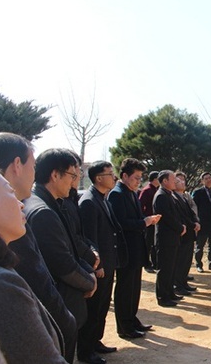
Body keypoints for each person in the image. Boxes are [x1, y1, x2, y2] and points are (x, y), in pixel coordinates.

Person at [0, 132, 78, 363]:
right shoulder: (3, 283)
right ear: (17, 164)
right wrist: (66, 321)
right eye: (9, 193)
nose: (21, 206)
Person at [23, 148, 98, 327]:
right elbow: (62, 264)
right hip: (58, 306)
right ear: (55, 175)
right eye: (72, 176)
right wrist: (90, 281)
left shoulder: (52, 203)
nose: (74, 182)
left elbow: (72, 242)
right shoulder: (43, 212)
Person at [77, 161, 127, 364]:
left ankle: (96, 341)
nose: (113, 177)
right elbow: (90, 239)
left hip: (109, 262)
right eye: (110, 173)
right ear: (98, 178)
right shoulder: (89, 201)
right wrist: (96, 266)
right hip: (100, 267)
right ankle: (86, 351)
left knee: (103, 306)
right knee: (94, 308)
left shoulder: (103, 198)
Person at [108, 158, 160, 338]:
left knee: (134, 287)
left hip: (137, 248)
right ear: (124, 176)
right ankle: (124, 326)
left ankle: (132, 319)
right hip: (126, 249)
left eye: (140, 178)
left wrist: (147, 220)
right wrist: (143, 222)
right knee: (125, 288)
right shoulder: (116, 194)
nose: (139, 181)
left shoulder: (131, 192)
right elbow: (120, 223)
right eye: (136, 177)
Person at [152, 170, 185, 307]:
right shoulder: (161, 196)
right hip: (165, 238)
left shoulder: (168, 194)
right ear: (165, 181)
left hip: (173, 237)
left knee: (171, 267)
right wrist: (180, 227)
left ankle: (170, 293)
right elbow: (167, 217)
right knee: (164, 269)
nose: (175, 182)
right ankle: (163, 297)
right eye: (173, 180)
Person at [173, 172, 200, 295]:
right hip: (182, 233)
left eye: (183, 181)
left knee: (187, 260)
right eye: (179, 181)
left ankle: (183, 283)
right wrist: (193, 224)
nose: (182, 183)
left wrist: (196, 221)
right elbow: (182, 217)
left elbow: (192, 212)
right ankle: (178, 285)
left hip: (189, 233)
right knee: (181, 261)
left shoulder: (185, 196)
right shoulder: (173, 197)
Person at [192, 172, 211, 273]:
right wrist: (196, 221)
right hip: (202, 222)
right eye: (206, 178)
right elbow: (194, 208)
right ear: (202, 181)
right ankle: (199, 264)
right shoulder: (198, 192)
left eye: (210, 178)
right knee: (200, 245)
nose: (209, 180)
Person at [138, 171, 159, 273]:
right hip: (149, 222)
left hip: (156, 221)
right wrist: (146, 218)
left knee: (155, 243)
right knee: (148, 243)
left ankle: (155, 262)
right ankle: (146, 263)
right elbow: (140, 206)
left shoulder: (156, 189)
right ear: (155, 179)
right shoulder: (146, 190)